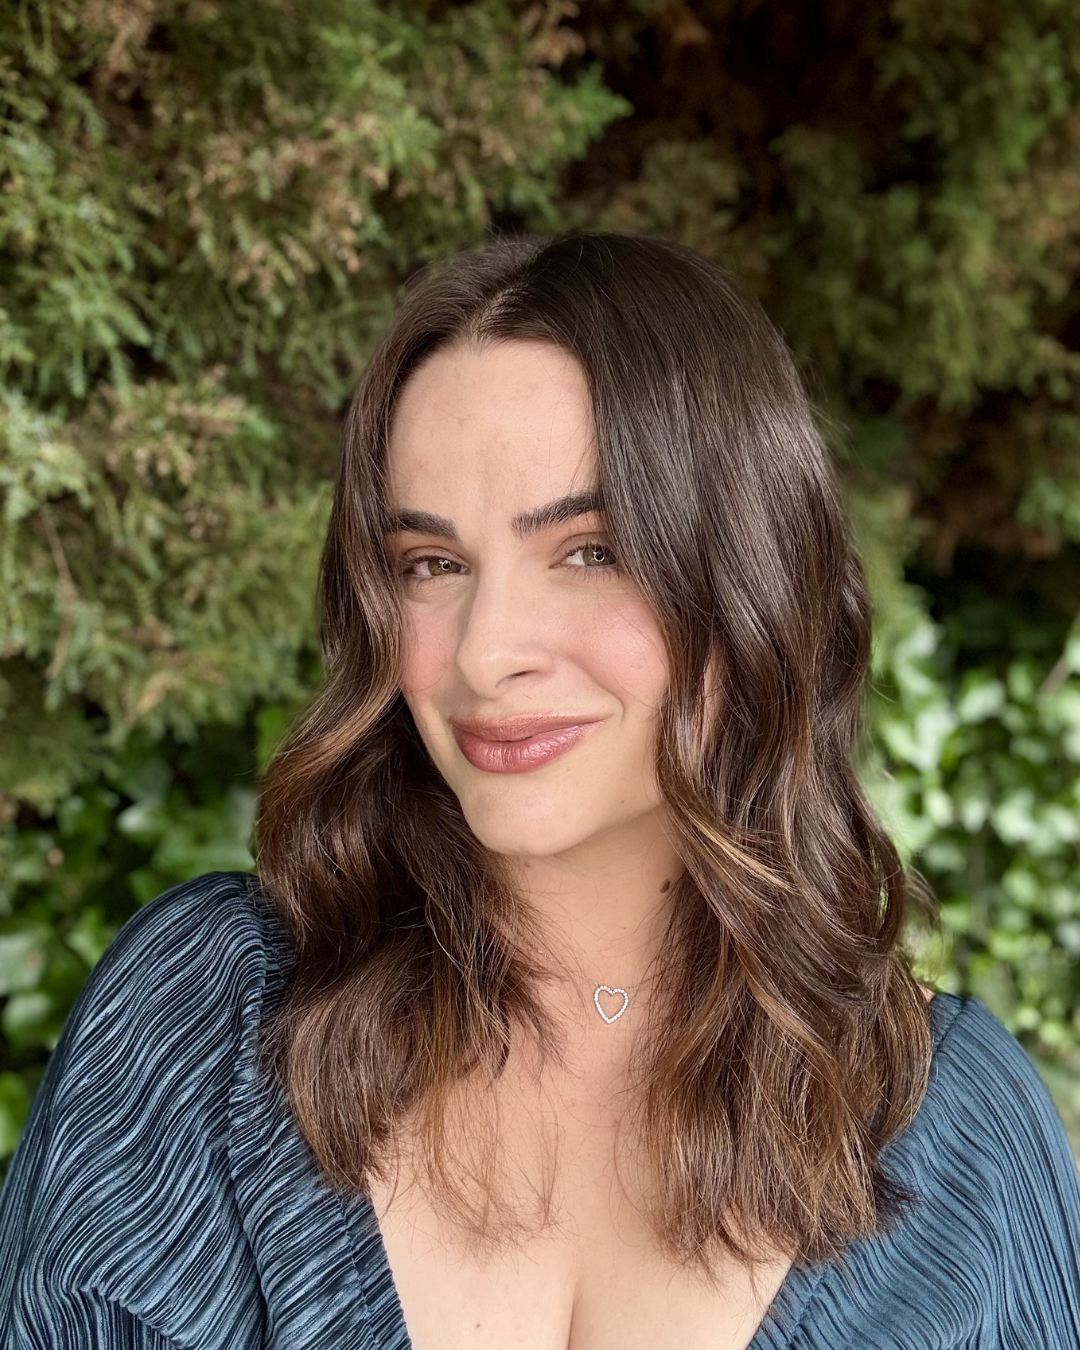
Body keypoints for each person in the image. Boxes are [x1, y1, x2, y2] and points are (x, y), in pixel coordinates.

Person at [1, 232, 1078, 1350]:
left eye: (589, 551)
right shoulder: (209, 1026)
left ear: (751, 574)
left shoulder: (956, 1136)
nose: (485, 653)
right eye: (432, 565)